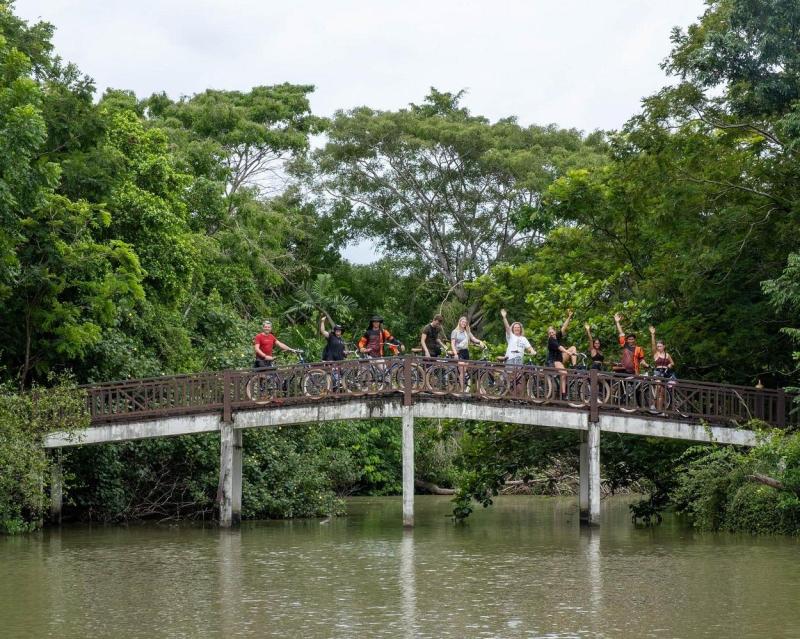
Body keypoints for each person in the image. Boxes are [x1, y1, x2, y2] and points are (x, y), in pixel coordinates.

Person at [546, 310, 578, 399]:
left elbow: (564, 326)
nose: (552, 334)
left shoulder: (557, 336)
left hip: (560, 358)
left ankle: (574, 367)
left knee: (573, 347)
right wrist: (569, 353)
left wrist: (569, 316)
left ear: (555, 332)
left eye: (552, 332)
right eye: (550, 333)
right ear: (548, 335)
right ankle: (563, 394)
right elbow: (560, 347)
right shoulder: (551, 340)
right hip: (553, 360)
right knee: (564, 373)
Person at [649, 325, 676, 410]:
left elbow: (672, 363)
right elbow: (653, 346)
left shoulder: (667, 355)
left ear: (664, 346)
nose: (658, 347)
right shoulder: (656, 354)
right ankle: (654, 406)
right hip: (658, 372)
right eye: (658, 346)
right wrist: (653, 335)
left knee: (663, 393)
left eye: (660, 346)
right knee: (658, 388)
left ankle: (660, 409)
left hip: (665, 372)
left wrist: (669, 365)